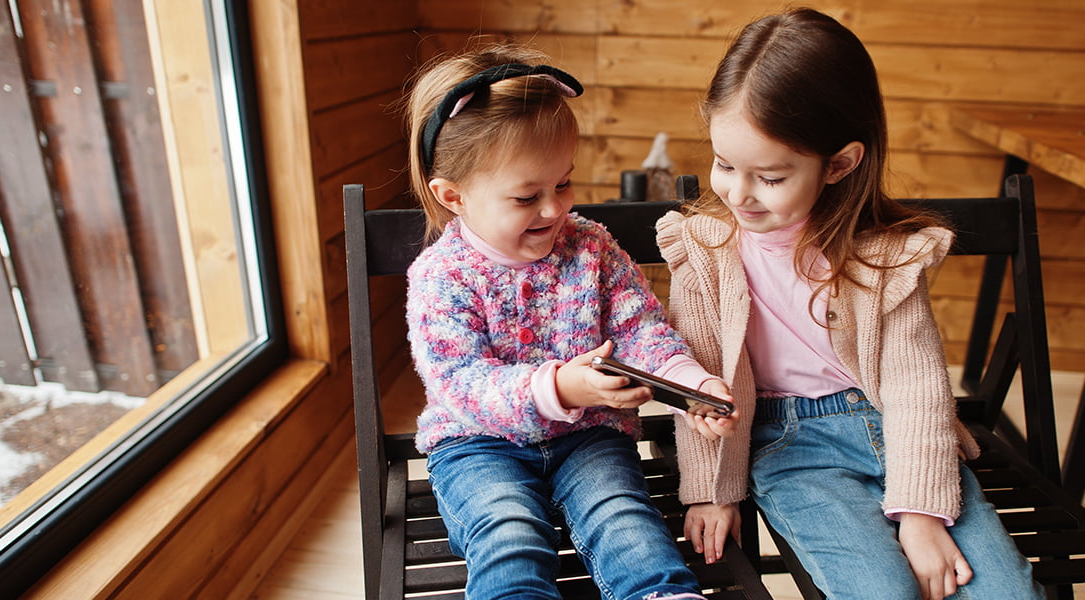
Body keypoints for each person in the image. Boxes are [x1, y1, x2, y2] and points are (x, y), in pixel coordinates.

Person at [655, 9, 1045, 600]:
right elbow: (704, 384)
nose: (738, 193)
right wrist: (713, 490)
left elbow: (917, 390)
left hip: (895, 427)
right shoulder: (704, 251)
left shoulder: (885, 258)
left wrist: (921, 513)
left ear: (839, 164)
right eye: (725, 165)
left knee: (1004, 594)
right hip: (791, 448)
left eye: (771, 177)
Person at [403, 44, 736, 600]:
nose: (555, 209)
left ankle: (663, 593)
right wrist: (560, 386)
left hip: (589, 437)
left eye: (563, 183)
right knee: (509, 534)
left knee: (624, 519)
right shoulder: (442, 276)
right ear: (453, 196)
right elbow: (459, 382)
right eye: (527, 196)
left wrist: (689, 383)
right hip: (479, 443)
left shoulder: (591, 247)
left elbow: (641, 328)